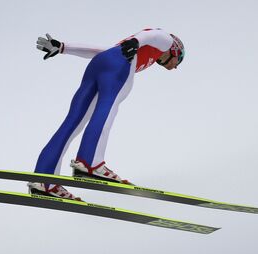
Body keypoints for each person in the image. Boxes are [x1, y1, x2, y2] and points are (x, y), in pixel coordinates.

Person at [29, 28, 185, 200]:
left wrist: (64, 47)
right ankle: (90, 163)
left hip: (98, 64)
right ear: (176, 50)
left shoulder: (143, 52)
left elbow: (101, 51)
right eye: (179, 60)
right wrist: (137, 41)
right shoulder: (165, 41)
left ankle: (44, 180)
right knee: (107, 108)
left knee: (72, 122)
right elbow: (153, 34)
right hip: (117, 66)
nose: (175, 67)